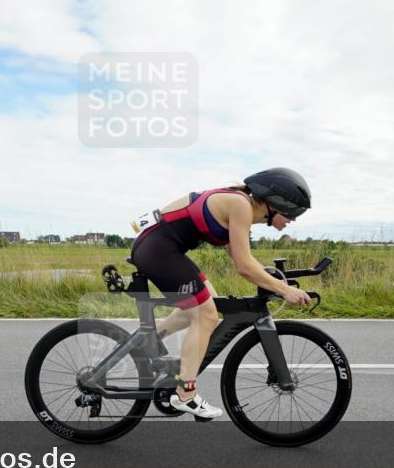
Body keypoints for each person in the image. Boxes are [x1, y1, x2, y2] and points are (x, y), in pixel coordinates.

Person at [129, 168, 314, 419]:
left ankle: (146, 341)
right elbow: (243, 267)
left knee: (210, 305)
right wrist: (284, 289)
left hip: (161, 247)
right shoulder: (241, 205)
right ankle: (184, 394)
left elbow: (241, 257)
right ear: (276, 202)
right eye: (293, 212)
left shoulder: (240, 205)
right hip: (158, 249)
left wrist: (274, 280)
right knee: (206, 315)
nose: (294, 219)